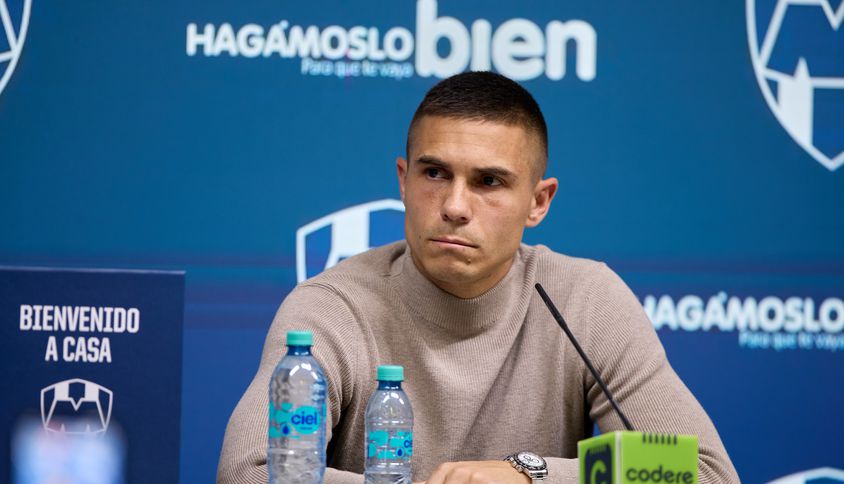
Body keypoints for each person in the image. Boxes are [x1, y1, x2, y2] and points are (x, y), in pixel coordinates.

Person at [218, 71, 738, 483]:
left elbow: (703, 472)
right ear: (404, 180)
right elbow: (250, 472)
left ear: (538, 202)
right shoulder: (332, 307)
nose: (454, 206)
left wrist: (530, 474)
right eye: (434, 173)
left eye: (488, 181)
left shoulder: (586, 300)